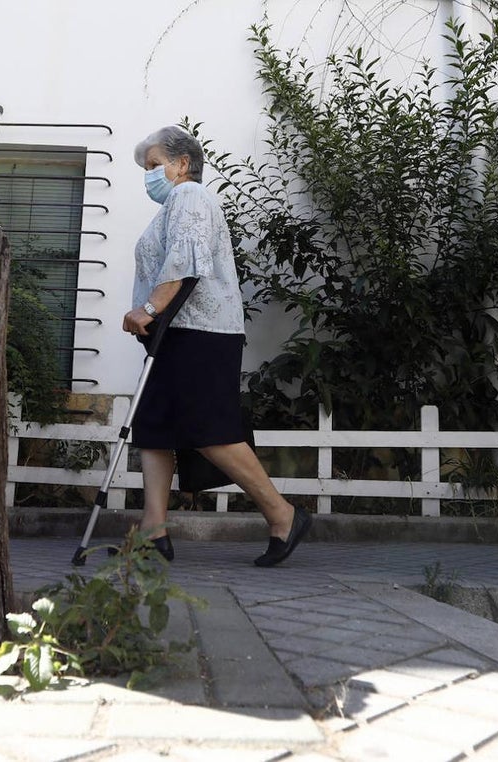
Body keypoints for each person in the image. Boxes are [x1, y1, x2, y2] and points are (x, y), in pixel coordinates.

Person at [124, 125, 311, 567]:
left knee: (209, 432)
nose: (149, 175)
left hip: (202, 332)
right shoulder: (171, 206)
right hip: (173, 333)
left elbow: (186, 258)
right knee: (154, 429)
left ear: (182, 163)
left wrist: (148, 308)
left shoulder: (190, 195)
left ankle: (283, 515)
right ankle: (153, 530)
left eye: (154, 165)